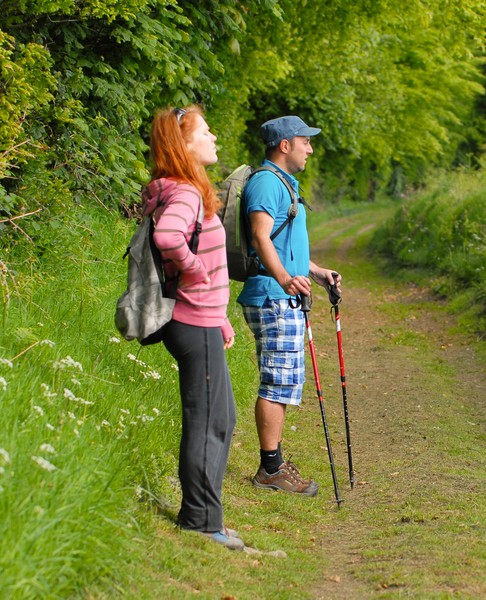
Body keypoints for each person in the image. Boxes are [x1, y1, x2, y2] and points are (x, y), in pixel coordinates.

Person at [145, 105, 243, 550]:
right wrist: (194, 274)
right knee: (207, 423)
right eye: (206, 131)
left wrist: (220, 315)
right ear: (184, 145)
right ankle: (202, 523)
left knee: (221, 417)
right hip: (190, 322)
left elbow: (205, 253)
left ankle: (206, 516)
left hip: (203, 320)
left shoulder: (187, 189)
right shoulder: (185, 192)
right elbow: (169, 239)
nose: (214, 136)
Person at [238, 115, 341, 496]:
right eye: (305, 142)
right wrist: (285, 279)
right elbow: (260, 237)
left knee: (283, 380)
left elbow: (283, 242)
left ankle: (275, 464)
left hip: (283, 294)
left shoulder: (283, 183)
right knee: (277, 380)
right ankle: (270, 469)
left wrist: (313, 271)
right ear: (285, 145)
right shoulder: (267, 182)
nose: (310, 149)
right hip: (273, 296)